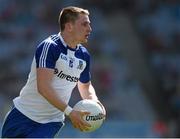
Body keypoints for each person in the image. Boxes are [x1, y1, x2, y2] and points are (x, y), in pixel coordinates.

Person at [1, 6, 105, 138]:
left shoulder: (84, 56)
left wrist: (94, 101)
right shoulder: (49, 46)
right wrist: (70, 112)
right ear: (69, 26)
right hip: (23, 115)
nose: (89, 29)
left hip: (51, 122)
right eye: (84, 24)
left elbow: (85, 85)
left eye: (89, 25)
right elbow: (43, 87)